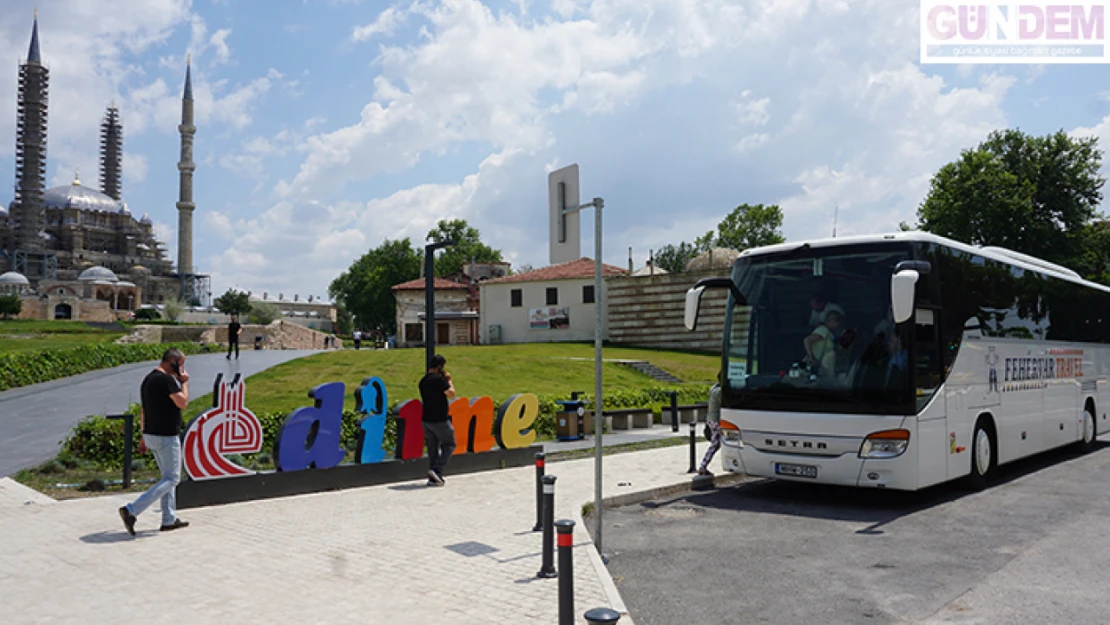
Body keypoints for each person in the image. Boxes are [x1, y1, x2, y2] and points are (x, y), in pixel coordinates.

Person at [118, 348, 190, 535]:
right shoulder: (166, 380)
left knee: (167, 477)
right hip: (166, 436)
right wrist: (184, 383)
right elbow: (182, 402)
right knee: (173, 478)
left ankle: (169, 519)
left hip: (151, 434)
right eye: (180, 363)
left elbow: (144, 410)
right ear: (172, 361)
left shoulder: (149, 379)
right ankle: (132, 510)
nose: (182, 368)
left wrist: (143, 435)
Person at [419, 354, 457, 486]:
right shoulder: (439, 380)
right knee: (450, 444)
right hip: (439, 419)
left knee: (432, 448)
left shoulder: (423, 381)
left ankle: (434, 477)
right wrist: (449, 380)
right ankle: (437, 470)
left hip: (426, 419)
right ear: (440, 366)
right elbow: (452, 394)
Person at [803, 309, 845, 377]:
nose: (838, 325)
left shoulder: (829, 334)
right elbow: (807, 340)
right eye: (838, 322)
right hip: (810, 366)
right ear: (832, 321)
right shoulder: (823, 330)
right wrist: (812, 358)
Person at [697, 371, 724, 476]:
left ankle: (703, 466)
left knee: (716, 443)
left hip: (711, 419)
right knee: (715, 444)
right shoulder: (719, 391)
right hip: (716, 420)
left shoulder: (714, 387)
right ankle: (703, 466)